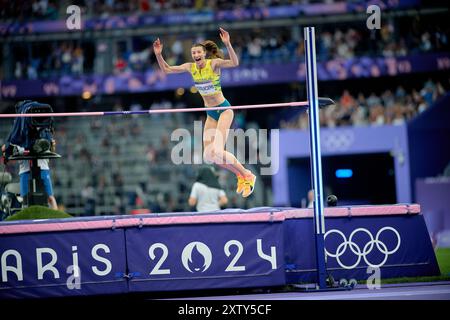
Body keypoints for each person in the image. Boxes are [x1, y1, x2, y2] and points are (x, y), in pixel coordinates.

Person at [153, 27, 256, 198]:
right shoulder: (190, 67)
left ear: (204, 53)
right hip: (211, 114)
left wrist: (228, 44)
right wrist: (158, 54)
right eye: (193, 53)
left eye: (198, 52)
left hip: (223, 110)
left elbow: (235, 63)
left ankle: (247, 174)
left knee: (217, 149)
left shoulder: (213, 63)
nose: (195, 55)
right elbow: (167, 70)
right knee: (209, 155)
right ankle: (239, 174)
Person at [1, 141, 58, 210]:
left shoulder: (42, 132)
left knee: (50, 197)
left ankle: (57, 219)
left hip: (43, 167)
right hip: (25, 170)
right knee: (25, 200)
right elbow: (5, 147)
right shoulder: (19, 134)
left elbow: (50, 146)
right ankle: (26, 219)